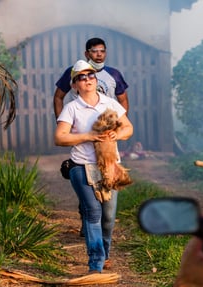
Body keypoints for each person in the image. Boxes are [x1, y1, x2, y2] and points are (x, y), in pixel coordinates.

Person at [54, 60, 133, 273]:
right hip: (81, 165)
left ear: (96, 79)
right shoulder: (72, 108)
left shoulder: (109, 103)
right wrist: (88, 136)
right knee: (93, 212)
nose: (87, 79)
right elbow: (59, 138)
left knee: (108, 216)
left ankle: (104, 254)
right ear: (74, 85)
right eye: (81, 77)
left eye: (90, 76)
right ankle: (95, 264)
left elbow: (128, 128)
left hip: (109, 165)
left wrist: (118, 134)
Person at [54, 37, 129, 117]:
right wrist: (61, 122)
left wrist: (119, 124)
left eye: (102, 51)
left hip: (106, 123)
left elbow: (123, 100)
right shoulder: (74, 72)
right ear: (86, 54)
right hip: (80, 122)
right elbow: (58, 97)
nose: (99, 54)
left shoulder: (114, 74)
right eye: (94, 51)